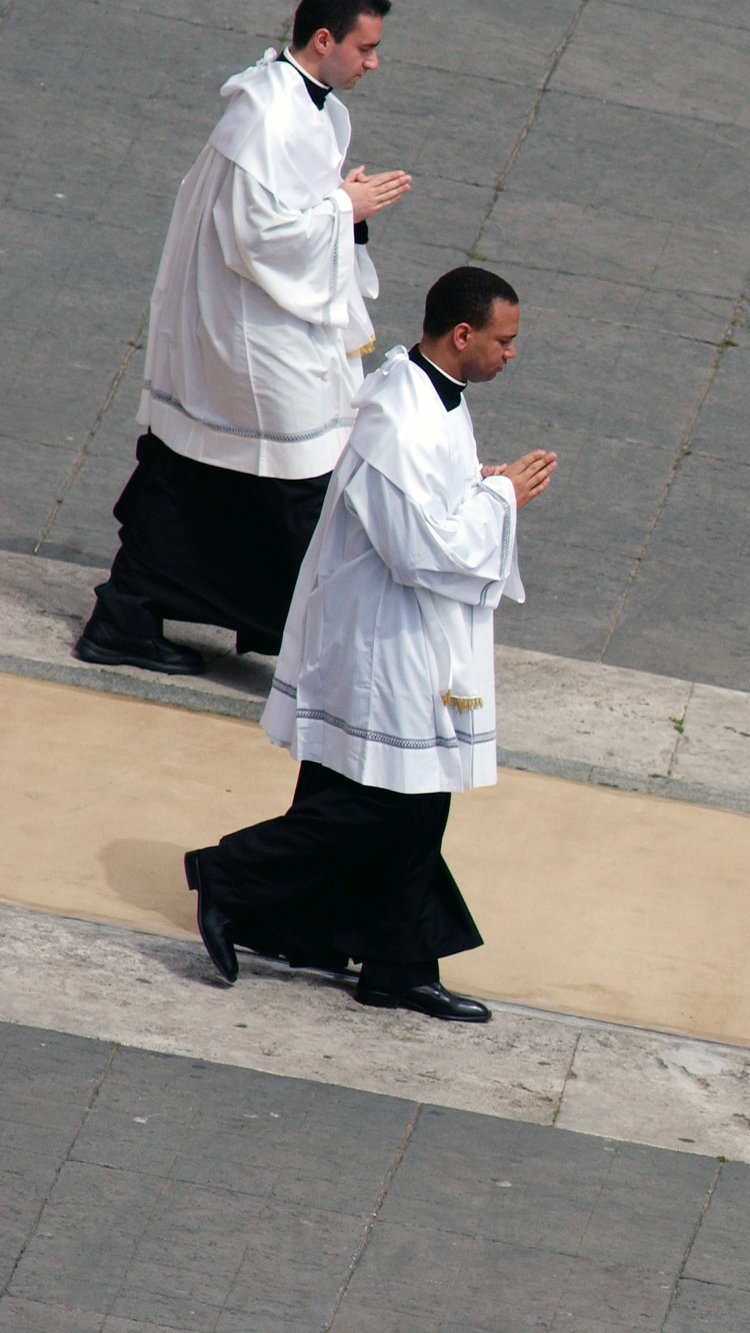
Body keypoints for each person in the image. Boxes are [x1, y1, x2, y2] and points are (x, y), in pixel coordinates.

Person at [184, 267, 557, 1023]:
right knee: (386, 807)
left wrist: (476, 482)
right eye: (504, 340)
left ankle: (386, 960)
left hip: (410, 634)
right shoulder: (401, 416)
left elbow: (427, 499)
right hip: (387, 644)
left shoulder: (431, 398)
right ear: (462, 334)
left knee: (400, 803)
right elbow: (418, 547)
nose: (512, 354)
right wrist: (501, 497)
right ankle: (230, 876)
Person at [75, 0, 410, 675]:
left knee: (203, 473)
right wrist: (342, 211)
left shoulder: (306, 107)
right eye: (366, 47)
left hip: (265, 322)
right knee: (297, 482)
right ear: (325, 40)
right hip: (252, 333)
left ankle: (137, 614)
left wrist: (340, 209)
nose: (374, 63)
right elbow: (259, 237)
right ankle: (320, 650)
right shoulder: (264, 116)